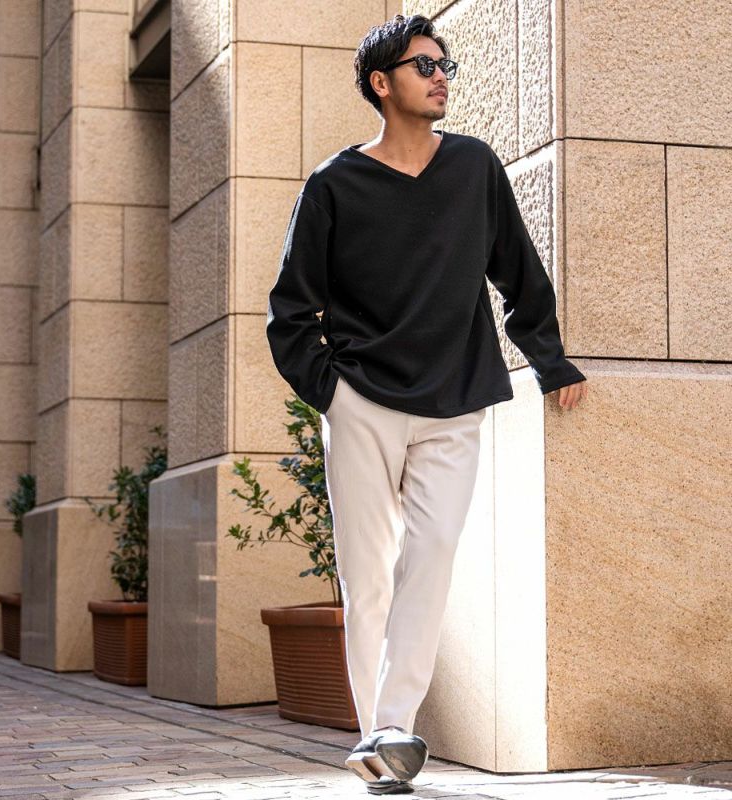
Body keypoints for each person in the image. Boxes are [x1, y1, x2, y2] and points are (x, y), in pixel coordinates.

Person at [265, 13, 587, 796]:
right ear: (382, 83)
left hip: (454, 398)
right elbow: (290, 311)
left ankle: (387, 729)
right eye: (423, 65)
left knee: (432, 556)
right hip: (362, 401)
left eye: (445, 65)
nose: (441, 76)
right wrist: (333, 393)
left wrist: (548, 359)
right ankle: (385, 735)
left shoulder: (474, 167)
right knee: (368, 571)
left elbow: (518, 270)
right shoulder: (334, 185)